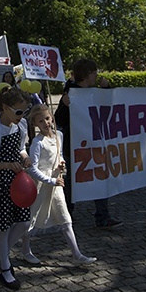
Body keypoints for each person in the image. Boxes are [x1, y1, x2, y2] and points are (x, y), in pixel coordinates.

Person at [21, 104, 97, 265]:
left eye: (47, 119)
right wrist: (50, 180)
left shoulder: (59, 136)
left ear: (52, 118)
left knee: (65, 217)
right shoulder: (37, 142)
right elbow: (32, 168)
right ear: (35, 124)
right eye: (41, 121)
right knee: (31, 218)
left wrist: (61, 164)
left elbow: (59, 155)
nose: (46, 123)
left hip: (56, 184)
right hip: (41, 185)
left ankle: (76, 254)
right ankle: (26, 251)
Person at [55, 58, 123, 229]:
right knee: (71, 183)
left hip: (95, 144)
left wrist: (107, 90)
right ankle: (66, 215)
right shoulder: (71, 93)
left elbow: (112, 107)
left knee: (99, 178)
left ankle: (103, 216)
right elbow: (59, 120)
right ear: (87, 74)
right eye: (94, 73)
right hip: (74, 146)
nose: (96, 76)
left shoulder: (94, 92)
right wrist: (64, 105)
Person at [0, 87, 32, 290]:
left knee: (24, 222)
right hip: (0, 182)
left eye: (25, 111)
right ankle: (5, 268)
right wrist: (7, 165)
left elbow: (21, 148)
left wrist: (24, 157)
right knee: (2, 226)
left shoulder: (21, 125)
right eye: (19, 112)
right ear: (5, 108)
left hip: (18, 180)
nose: (22, 116)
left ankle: (2, 251)